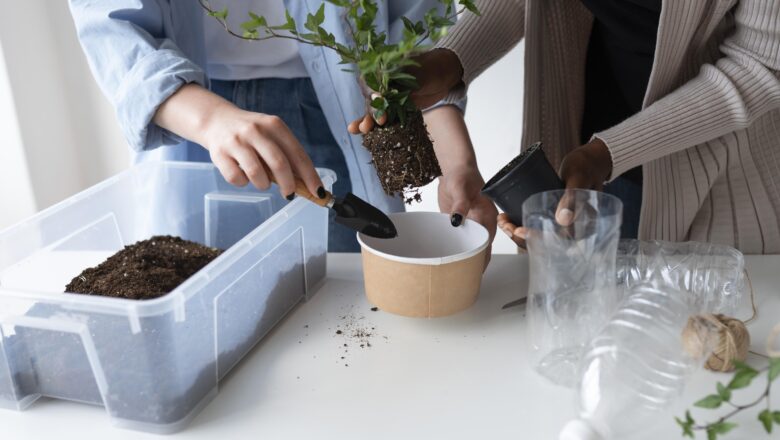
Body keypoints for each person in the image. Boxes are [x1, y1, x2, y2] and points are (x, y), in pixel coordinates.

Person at [68, 1, 497, 252]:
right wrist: (208, 118)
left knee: (346, 309)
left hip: (341, 114)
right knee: (207, 303)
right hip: (190, 119)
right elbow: (110, 24)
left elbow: (417, 36)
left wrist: (456, 162)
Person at [359, 0, 780, 254]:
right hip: (588, 153)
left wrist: (606, 154)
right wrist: (449, 61)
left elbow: (759, 66)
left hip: (719, 178)